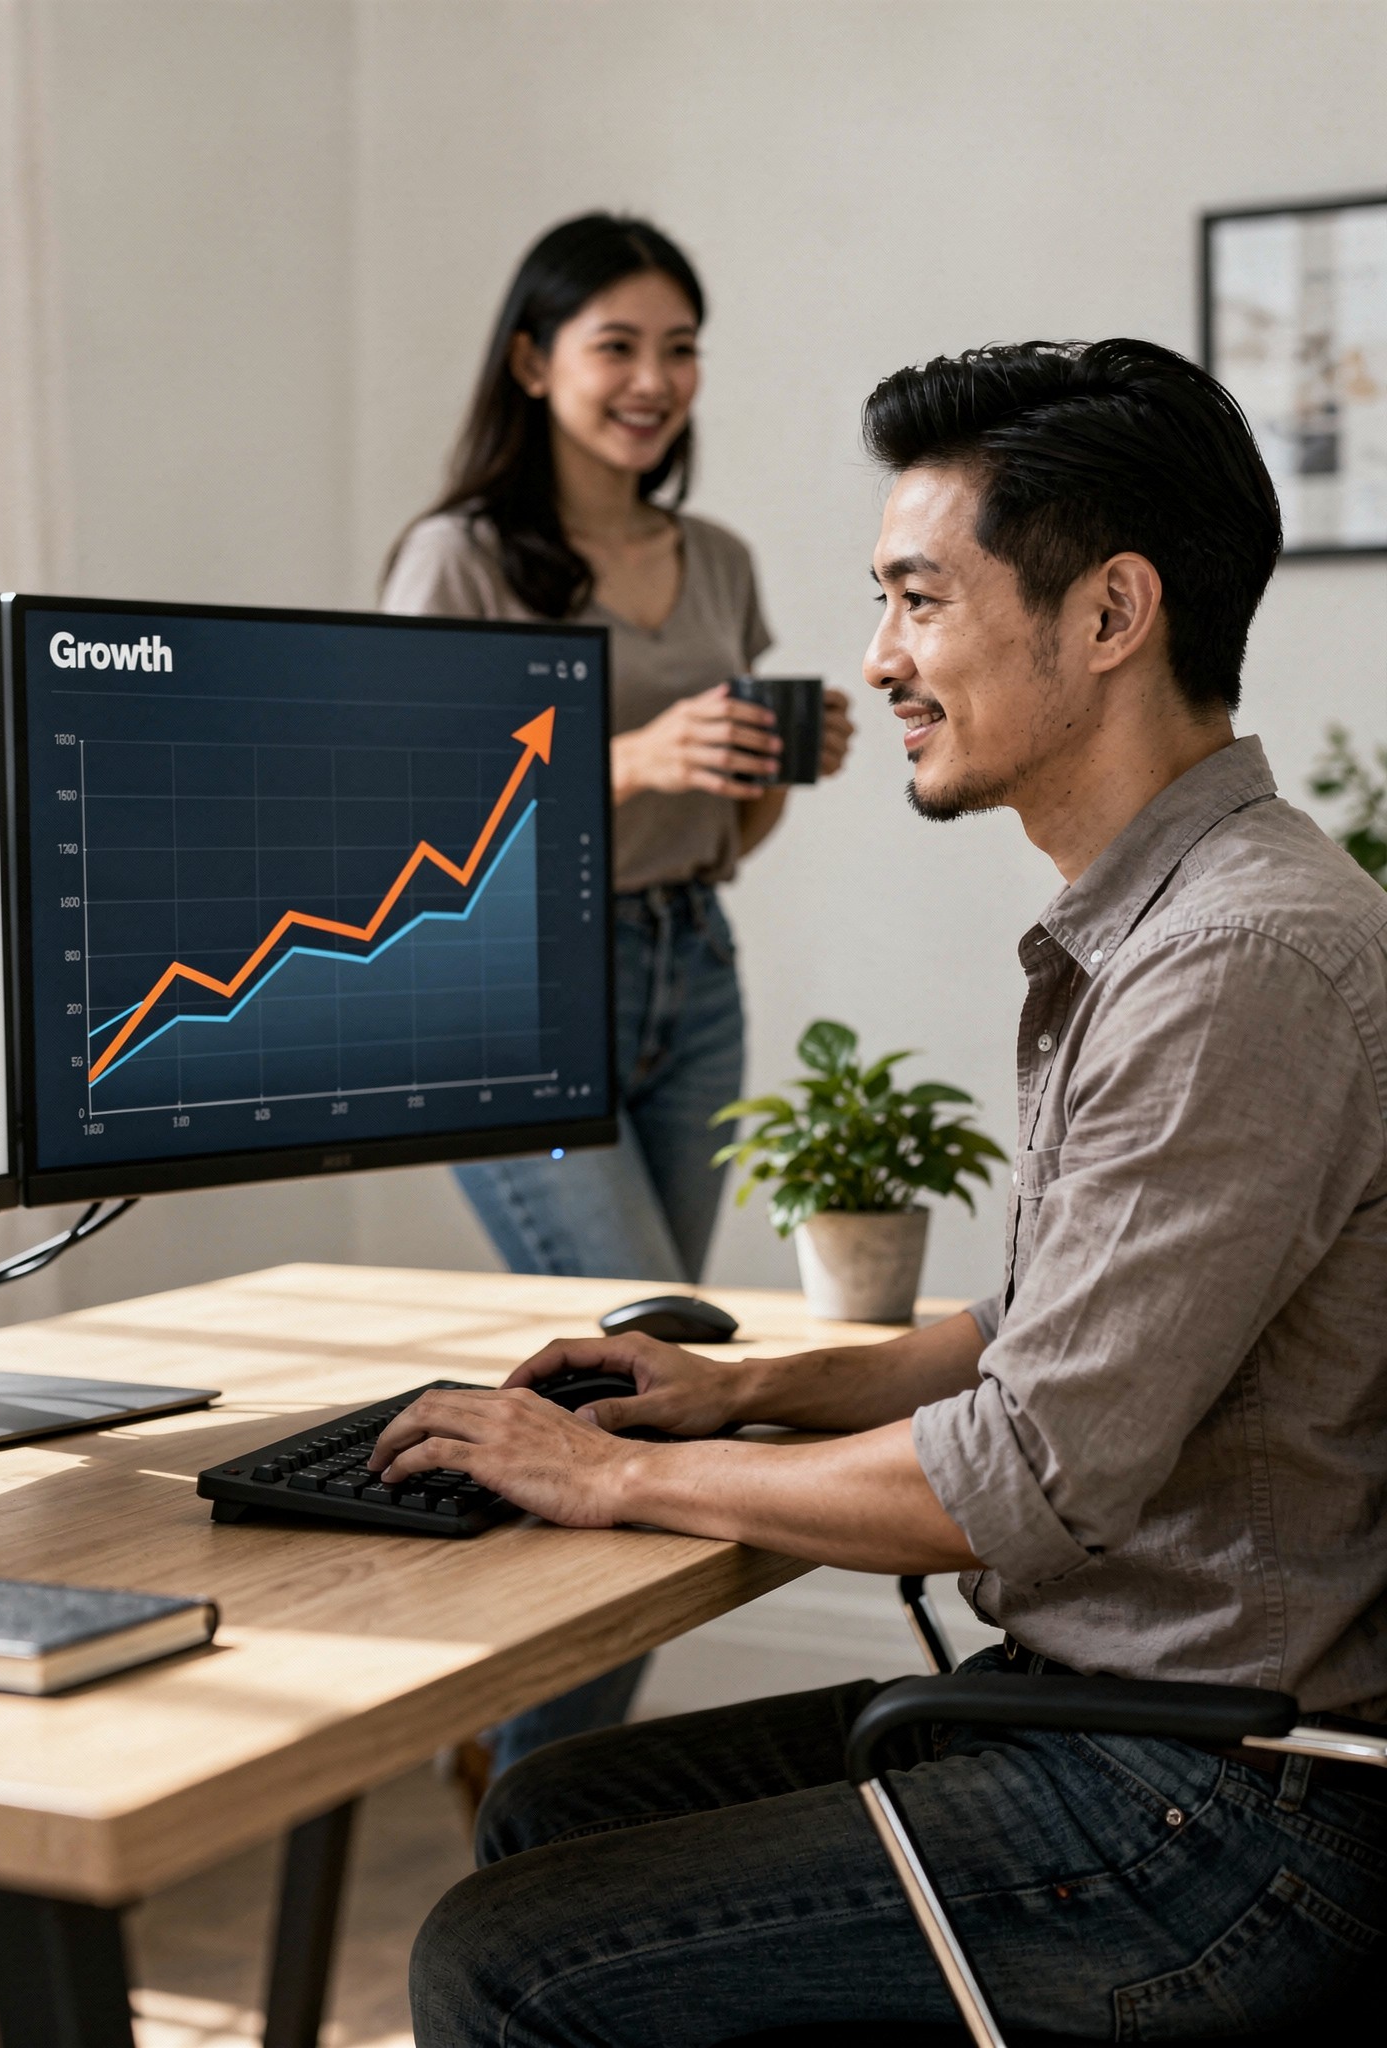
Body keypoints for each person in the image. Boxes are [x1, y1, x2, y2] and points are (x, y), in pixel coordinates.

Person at [385, 337, 1387, 2041]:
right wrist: (743, 1391)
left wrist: (611, 1483)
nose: (878, 660)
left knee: (506, 1959)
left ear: (1109, 614)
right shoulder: (1175, 917)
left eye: (920, 600)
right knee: (556, 1812)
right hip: (1125, 1729)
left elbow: (1023, 1476)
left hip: (1214, 1816)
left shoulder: (1236, 962)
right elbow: (1037, 1334)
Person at [382, 212, 851, 1780]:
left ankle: (525, 1776)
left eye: (679, 348)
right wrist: (638, 754)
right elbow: (403, 816)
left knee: (647, 1400)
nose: (654, 381)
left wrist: (770, 769)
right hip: (508, 990)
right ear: (533, 361)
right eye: (616, 346)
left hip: (685, 967)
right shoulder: (456, 557)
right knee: (630, 1403)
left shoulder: (715, 561)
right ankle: (533, 1797)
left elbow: (726, 826)